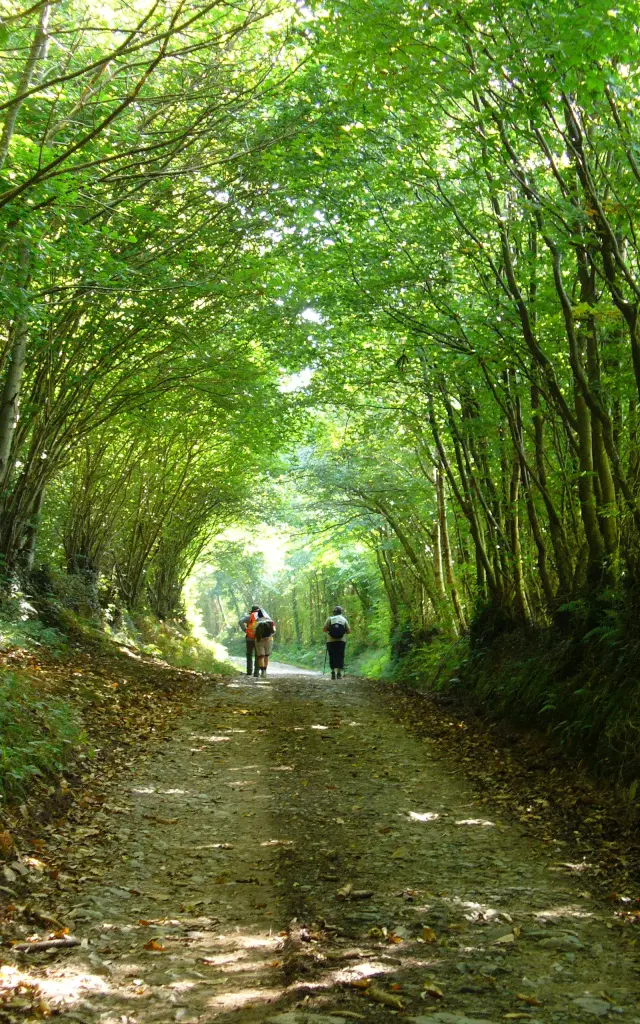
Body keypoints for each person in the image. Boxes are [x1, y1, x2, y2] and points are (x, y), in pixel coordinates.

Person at [323, 605, 351, 679]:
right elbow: (349, 631)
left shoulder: (330, 619)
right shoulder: (344, 619)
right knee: (340, 656)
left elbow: (324, 629)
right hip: (341, 641)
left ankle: (332, 672)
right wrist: (343, 631)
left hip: (330, 641)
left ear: (334, 613)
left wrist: (330, 630)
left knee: (332, 656)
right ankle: (339, 673)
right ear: (341, 612)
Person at [253, 608, 276, 678]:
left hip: (259, 641)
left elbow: (254, 632)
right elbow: (274, 631)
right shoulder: (271, 621)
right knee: (266, 656)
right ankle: (265, 671)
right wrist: (268, 637)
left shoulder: (256, 622)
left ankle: (262, 671)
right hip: (269, 640)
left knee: (261, 657)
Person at [239, 605, 260, 676]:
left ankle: (249, 672)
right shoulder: (260, 616)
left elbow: (240, 621)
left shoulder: (249, 616)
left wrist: (245, 630)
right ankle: (256, 673)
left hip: (249, 638)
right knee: (257, 655)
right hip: (258, 639)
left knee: (249, 655)